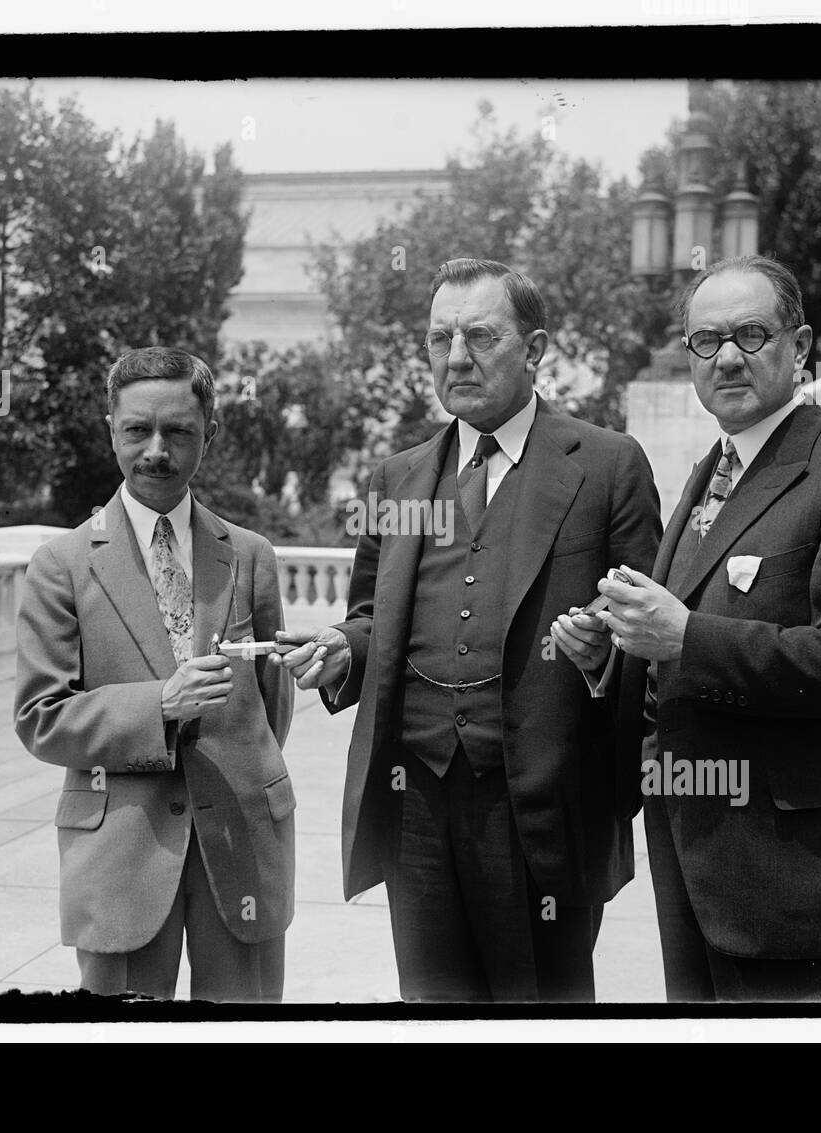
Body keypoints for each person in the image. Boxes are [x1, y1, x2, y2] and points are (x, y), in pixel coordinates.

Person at [274, 258, 662, 1002]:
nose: (456, 357)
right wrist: (342, 651)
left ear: (536, 347)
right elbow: (369, 616)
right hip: (414, 799)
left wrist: (601, 660)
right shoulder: (399, 477)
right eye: (439, 338)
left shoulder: (608, 465)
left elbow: (652, 637)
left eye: (480, 335)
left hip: (541, 809)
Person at [597, 255, 821, 1002]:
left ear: (801, 345)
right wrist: (612, 651)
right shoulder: (710, 472)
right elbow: (676, 647)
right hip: (697, 866)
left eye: (752, 333)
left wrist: (686, 636)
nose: (729, 357)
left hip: (803, 882)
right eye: (706, 341)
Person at [14, 347, 294, 1002]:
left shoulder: (251, 556)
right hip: (121, 857)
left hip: (243, 844)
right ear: (111, 427)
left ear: (211, 432)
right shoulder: (60, 565)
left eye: (179, 431)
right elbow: (40, 717)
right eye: (138, 429)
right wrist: (159, 705)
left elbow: (270, 707)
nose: (157, 451)